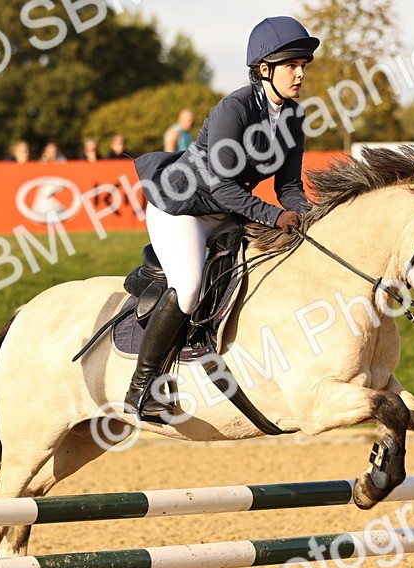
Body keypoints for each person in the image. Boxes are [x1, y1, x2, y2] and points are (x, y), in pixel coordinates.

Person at [128, 16, 317, 422]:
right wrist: (274, 215)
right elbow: (223, 187)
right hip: (182, 208)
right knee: (190, 285)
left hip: (229, 212)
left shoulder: (294, 118)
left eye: (304, 65)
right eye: (291, 65)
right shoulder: (233, 109)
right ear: (263, 69)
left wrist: (308, 215)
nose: (300, 73)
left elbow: (288, 187)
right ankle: (141, 390)